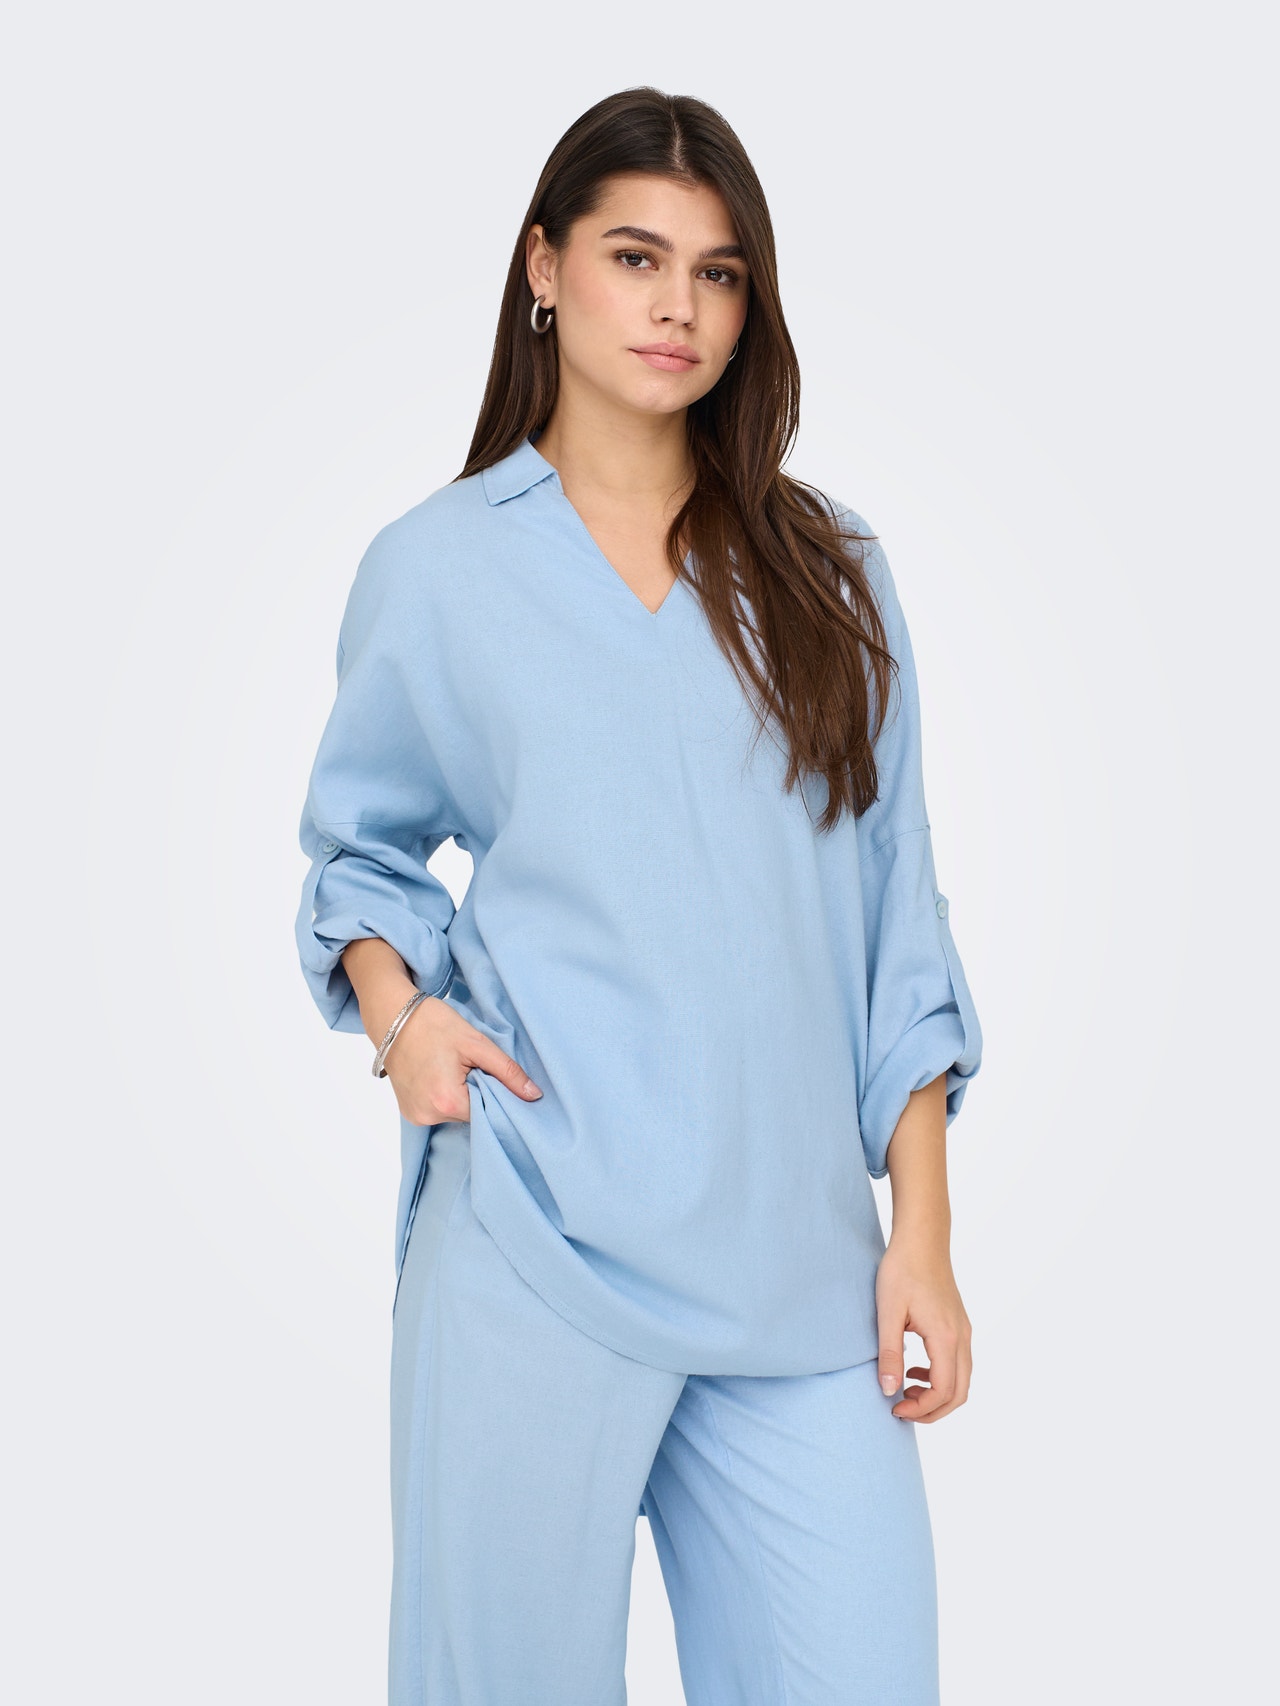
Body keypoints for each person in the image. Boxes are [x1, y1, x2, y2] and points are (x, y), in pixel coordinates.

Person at [294, 85, 984, 1706]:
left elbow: (899, 916)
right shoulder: (441, 568)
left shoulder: (829, 571)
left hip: (798, 1272)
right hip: (535, 1235)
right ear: (544, 268)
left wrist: (925, 1234)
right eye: (635, 256)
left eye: (719, 272)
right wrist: (404, 1025)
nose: (680, 305)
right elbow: (359, 850)